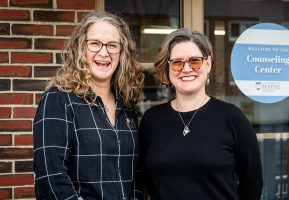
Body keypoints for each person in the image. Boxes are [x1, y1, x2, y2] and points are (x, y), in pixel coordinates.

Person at [139, 28, 263, 200]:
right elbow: (147, 180)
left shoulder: (232, 118)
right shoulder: (151, 121)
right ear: (167, 68)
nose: (186, 69)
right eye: (177, 62)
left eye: (195, 61)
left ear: (208, 63)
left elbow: (252, 184)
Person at [33, 11, 144, 200]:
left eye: (112, 45)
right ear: (80, 48)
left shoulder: (126, 108)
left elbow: (135, 176)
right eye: (94, 44)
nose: (104, 52)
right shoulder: (59, 100)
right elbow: (51, 179)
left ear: (122, 52)